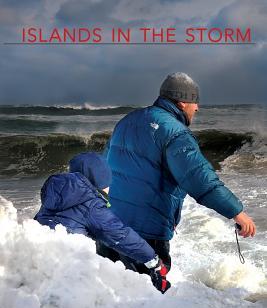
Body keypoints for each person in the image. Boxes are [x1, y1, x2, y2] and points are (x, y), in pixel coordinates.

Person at [97, 72, 256, 273]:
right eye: (195, 102)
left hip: (110, 227)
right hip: (145, 236)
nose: (197, 107)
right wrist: (237, 213)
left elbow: (103, 167)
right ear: (182, 103)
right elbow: (200, 178)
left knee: (111, 291)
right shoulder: (175, 133)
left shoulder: (127, 121)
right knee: (149, 296)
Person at [34, 152, 171, 293]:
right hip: (64, 264)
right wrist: (153, 260)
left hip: (37, 253)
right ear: (98, 178)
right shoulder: (91, 204)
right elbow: (121, 235)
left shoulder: (56, 193)